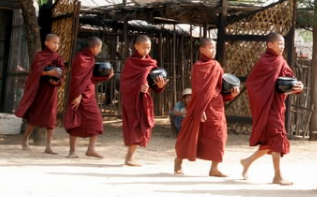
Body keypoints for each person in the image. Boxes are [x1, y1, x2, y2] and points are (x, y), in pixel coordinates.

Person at [241, 32, 303, 185]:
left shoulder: (280, 61)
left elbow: (290, 80)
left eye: (283, 44)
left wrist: (298, 87)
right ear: (270, 45)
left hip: (276, 106)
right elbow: (252, 83)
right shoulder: (264, 61)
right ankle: (277, 176)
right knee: (278, 137)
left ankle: (247, 161)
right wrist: (265, 94)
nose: (282, 47)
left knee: (272, 141)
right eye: (279, 44)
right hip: (266, 106)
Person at [174, 38, 240, 176]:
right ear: (202, 50)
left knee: (219, 135)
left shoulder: (217, 66)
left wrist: (231, 94)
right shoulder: (198, 66)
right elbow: (198, 90)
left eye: (214, 47)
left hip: (216, 106)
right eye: (210, 48)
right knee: (190, 135)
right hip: (200, 106)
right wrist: (200, 109)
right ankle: (178, 162)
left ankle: (214, 168)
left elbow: (221, 88)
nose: (213, 50)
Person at [120, 35, 167, 166]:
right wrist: (138, 88)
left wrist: (159, 86)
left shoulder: (151, 63)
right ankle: (129, 158)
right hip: (132, 100)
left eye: (149, 47)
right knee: (134, 126)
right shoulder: (130, 63)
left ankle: (130, 157)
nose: (147, 50)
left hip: (144, 101)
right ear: (136, 47)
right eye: (144, 47)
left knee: (142, 128)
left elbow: (153, 83)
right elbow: (125, 83)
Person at [64, 36, 115, 158]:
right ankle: (72, 151)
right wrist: (78, 95)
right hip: (78, 95)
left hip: (89, 95)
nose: (100, 50)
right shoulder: (80, 58)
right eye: (100, 47)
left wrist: (106, 77)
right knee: (75, 122)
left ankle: (90, 149)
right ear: (95, 47)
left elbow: (89, 78)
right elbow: (77, 79)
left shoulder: (91, 58)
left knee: (96, 120)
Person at [16, 33, 65, 154]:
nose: (56, 45)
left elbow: (62, 72)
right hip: (39, 89)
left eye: (58, 43)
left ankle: (48, 146)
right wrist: (47, 73)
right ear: (46, 43)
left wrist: (57, 81)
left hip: (51, 90)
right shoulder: (40, 56)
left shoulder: (58, 57)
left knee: (51, 117)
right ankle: (25, 138)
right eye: (54, 42)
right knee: (35, 116)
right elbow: (35, 72)